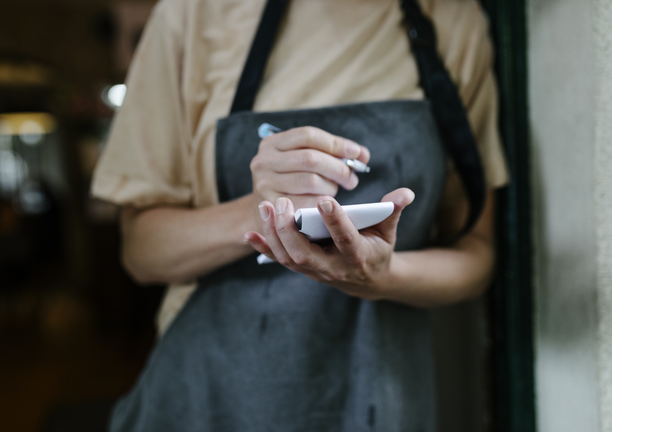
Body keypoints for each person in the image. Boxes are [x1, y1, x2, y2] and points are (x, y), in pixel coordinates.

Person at [92, 0, 509, 430]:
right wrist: (255, 214)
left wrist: (384, 276)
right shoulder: (194, 14)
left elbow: (477, 252)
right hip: (211, 397)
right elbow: (141, 252)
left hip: (379, 397)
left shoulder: (450, 21)